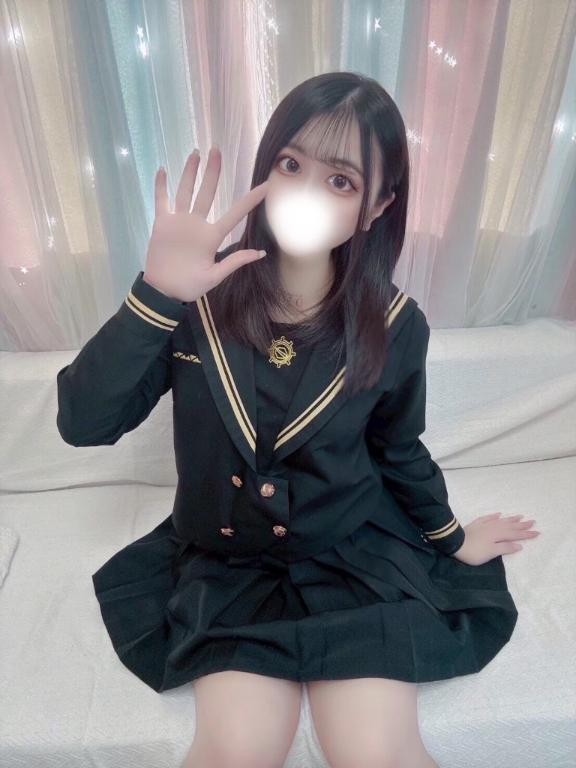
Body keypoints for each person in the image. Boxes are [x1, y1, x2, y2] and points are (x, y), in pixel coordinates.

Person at [56, 72, 540, 768]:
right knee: (235, 752)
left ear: (377, 206)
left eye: (340, 180)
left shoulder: (396, 325)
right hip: (228, 568)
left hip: (355, 558)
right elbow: (84, 423)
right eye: (290, 164)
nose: (304, 192)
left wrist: (452, 537)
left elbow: (398, 448)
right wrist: (156, 295)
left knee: (377, 755)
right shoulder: (195, 297)